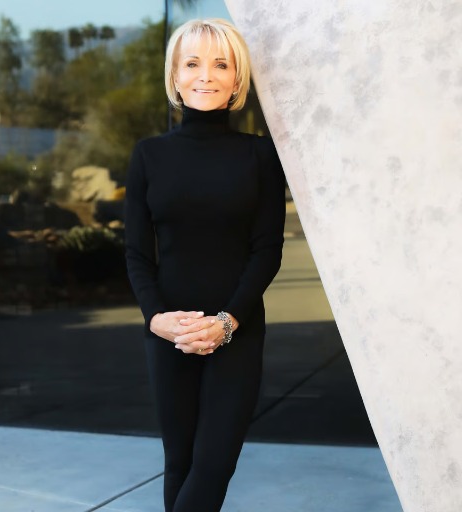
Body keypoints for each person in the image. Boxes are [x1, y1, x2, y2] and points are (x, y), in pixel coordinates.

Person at [124, 18, 285, 512]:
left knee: (213, 464)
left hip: (236, 329)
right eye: (192, 63)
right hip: (169, 331)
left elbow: (267, 250)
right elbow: (136, 252)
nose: (206, 76)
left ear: (237, 80)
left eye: (221, 64)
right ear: (175, 76)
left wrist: (227, 321)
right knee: (180, 462)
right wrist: (156, 318)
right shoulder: (148, 155)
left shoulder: (260, 155)